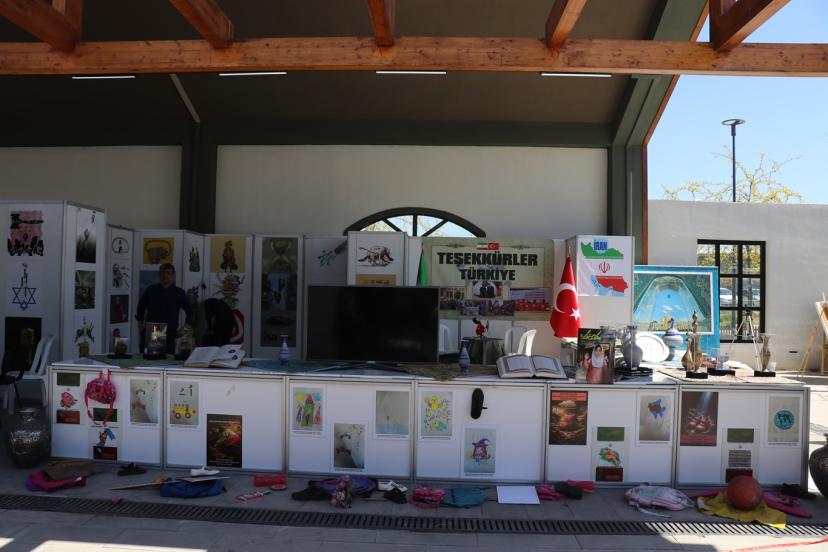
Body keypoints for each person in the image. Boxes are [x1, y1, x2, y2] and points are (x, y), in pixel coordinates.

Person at [135, 263, 193, 355]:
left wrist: (185, 329)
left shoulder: (179, 293)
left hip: (170, 333)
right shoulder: (151, 290)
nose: (165, 275)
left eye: (168, 273)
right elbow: (140, 307)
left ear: (173, 275)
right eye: (163, 273)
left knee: (168, 360)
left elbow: (190, 311)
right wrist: (140, 326)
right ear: (159, 274)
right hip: (151, 332)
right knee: (147, 360)